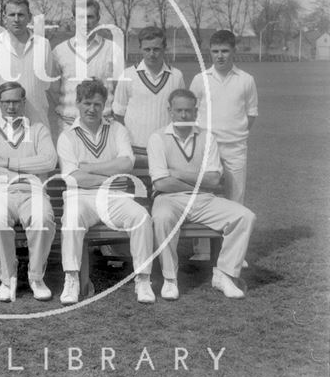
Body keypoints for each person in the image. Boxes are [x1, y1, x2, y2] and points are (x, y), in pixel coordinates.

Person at [147, 88, 256, 299]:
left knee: (245, 216)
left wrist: (178, 173)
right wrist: (199, 181)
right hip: (169, 200)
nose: (184, 115)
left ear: (196, 112)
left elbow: (214, 180)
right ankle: (170, 278)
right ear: (170, 111)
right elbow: (161, 183)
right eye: (179, 110)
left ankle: (224, 274)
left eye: (189, 111)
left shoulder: (207, 138)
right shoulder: (157, 138)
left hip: (204, 200)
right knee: (161, 218)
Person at [57, 79, 155, 305]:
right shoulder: (67, 136)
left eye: (98, 104)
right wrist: (110, 176)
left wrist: (90, 168)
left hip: (115, 197)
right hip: (81, 197)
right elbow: (73, 178)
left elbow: (126, 164)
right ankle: (71, 278)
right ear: (78, 103)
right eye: (87, 103)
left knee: (141, 218)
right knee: (71, 218)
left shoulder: (117, 129)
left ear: (104, 106)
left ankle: (143, 279)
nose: (92, 109)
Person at [0, 81, 58, 302]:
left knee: (43, 218)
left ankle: (36, 277)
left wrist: (10, 162)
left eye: (16, 101)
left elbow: (49, 161)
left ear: (23, 102)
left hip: (33, 191)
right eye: (6, 102)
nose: (11, 107)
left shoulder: (38, 130)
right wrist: (17, 176)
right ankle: (8, 277)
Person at [189, 30, 258, 262]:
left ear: (234, 51)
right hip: (207, 148)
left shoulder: (246, 80)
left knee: (234, 199)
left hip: (235, 148)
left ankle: (233, 255)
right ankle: (202, 250)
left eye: (225, 51)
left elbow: (251, 114)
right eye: (215, 51)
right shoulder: (200, 79)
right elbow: (191, 112)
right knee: (203, 198)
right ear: (210, 52)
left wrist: (234, 135)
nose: (220, 56)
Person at [113, 26, 185, 165]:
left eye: (156, 49)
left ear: (164, 48)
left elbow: (181, 114)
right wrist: (125, 145)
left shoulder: (176, 76)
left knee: (165, 186)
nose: (152, 54)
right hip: (134, 150)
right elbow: (118, 114)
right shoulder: (128, 75)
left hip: (166, 149)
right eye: (147, 49)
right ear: (140, 48)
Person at [51, 0, 121, 138]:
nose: (86, 22)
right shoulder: (59, 51)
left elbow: (120, 90)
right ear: (73, 19)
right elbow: (53, 91)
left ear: (98, 18)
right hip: (68, 126)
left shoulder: (112, 49)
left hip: (103, 126)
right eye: (81, 17)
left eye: (90, 17)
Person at [0, 0, 53, 129]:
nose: (16, 19)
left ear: (29, 17)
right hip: (4, 126)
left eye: (21, 15)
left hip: (37, 123)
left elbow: (47, 86)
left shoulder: (43, 45)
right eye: (12, 15)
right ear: (5, 18)